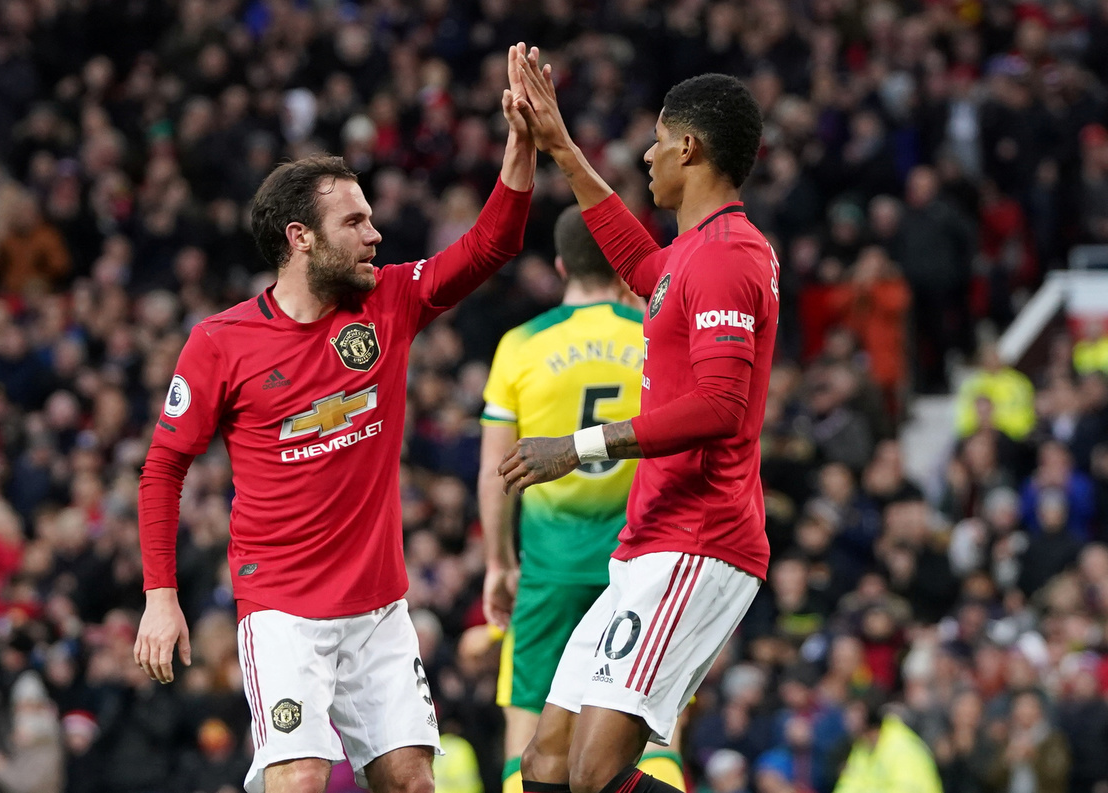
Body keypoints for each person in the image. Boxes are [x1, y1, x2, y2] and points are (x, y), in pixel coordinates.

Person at [132, 45, 537, 793]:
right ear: (301, 237)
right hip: (282, 611)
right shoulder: (220, 342)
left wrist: (521, 145)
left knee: (413, 781)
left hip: (378, 606)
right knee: (299, 779)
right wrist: (161, 596)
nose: (374, 235)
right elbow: (163, 468)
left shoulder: (389, 301)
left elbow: (492, 245)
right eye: (355, 222)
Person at [498, 53, 776, 793]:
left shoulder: (727, 259)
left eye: (657, 141)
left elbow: (721, 406)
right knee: (545, 764)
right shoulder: (693, 254)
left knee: (595, 773)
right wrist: (560, 148)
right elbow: (636, 261)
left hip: (699, 538)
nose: (647, 156)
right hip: (650, 538)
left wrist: (579, 446)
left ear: (689, 147)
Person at [478, 205, 685, 793]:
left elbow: (496, 473)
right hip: (642, 566)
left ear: (561, 265)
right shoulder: (653, 334)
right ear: (622, 268)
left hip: (551, 572)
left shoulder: (521, 345)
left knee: (529, 736)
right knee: (650, 736)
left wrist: (499, 563)